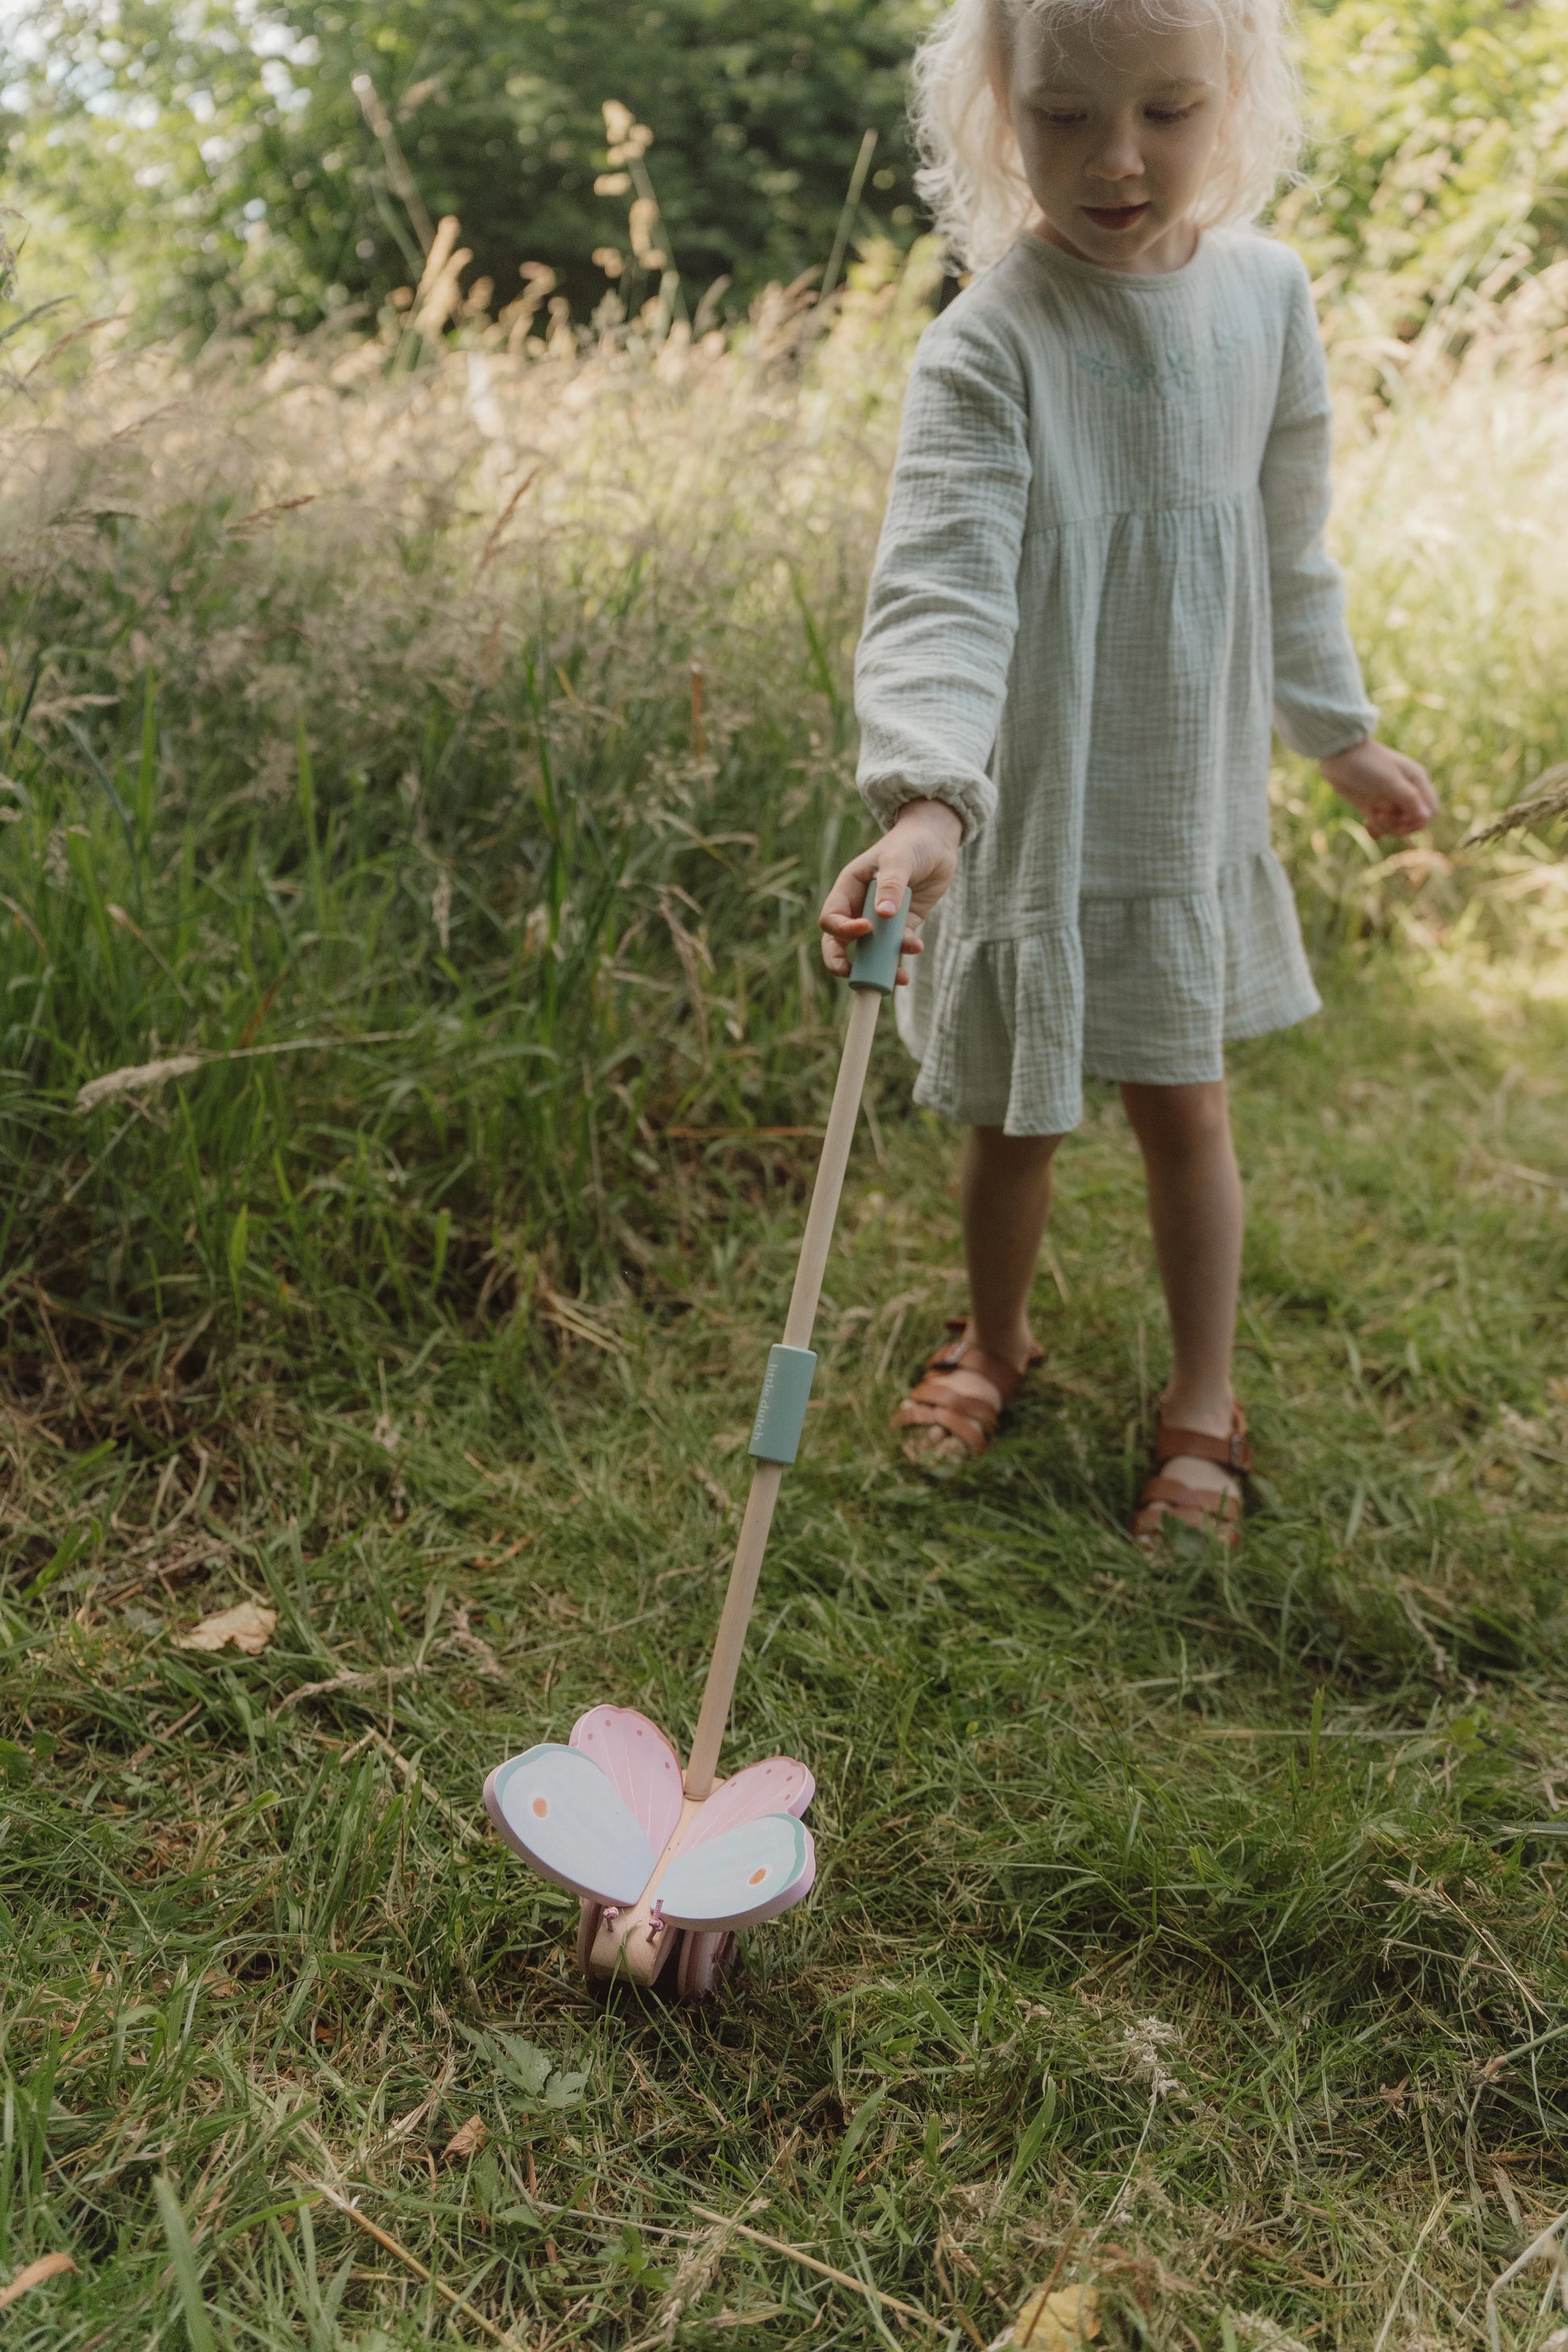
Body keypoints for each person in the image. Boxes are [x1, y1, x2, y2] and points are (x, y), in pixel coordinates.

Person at [818, 0, 1436, 1545]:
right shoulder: (990, 338)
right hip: (1029, 800)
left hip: (1182, 791)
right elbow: (943, 586)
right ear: (993, 113)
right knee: (1015, 1116)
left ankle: (1202, 1399)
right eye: (1062, 117)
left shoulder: (1267, 297)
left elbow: (1290, 546)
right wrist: (924, 797)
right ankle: (998, 1337)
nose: (1114, 160)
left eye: (1164, 113)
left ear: (1233, 97)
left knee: (1184, 1106)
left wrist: (1336, 732)